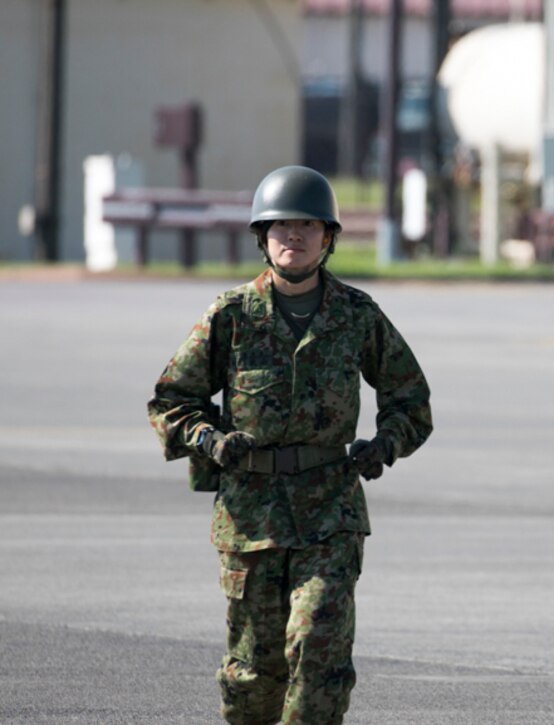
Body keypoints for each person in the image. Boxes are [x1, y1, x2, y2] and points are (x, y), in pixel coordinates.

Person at [147, 165, 432, 724]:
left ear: (328, 238)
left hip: (330, 511)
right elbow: (170, 401)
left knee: (319, 653)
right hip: (250, 519)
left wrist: (385, 444)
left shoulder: (355, 316)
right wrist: (208, 439)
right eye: (281, 226)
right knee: (254, 673)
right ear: (262, 237)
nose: (294, 237)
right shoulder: (230, 317)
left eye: (308, 225)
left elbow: (411, 400)